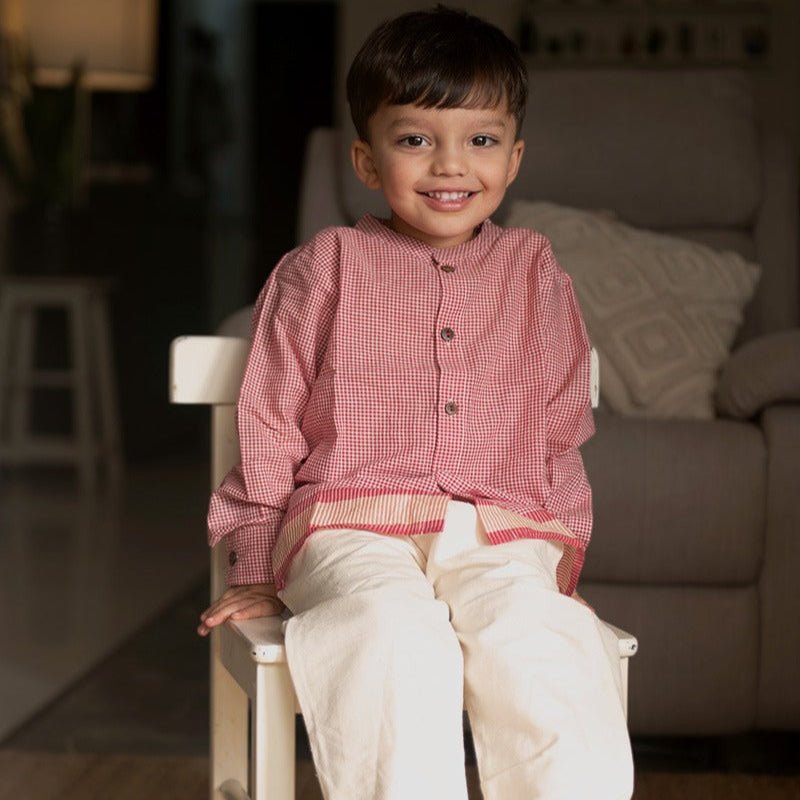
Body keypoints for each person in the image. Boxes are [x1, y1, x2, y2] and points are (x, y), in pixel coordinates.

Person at [198, 6, 634, 798]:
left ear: (515, 155)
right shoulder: (322, 268)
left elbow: (561, 428)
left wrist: (558, 568)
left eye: (480, 139)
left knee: (543, 642)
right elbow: (267, 424)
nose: (449, 164)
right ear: (367, 160)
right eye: (414, 139)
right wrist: (257, 562)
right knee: (392, 638)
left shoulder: (536, 273)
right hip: (349, 524)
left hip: (504, 530)